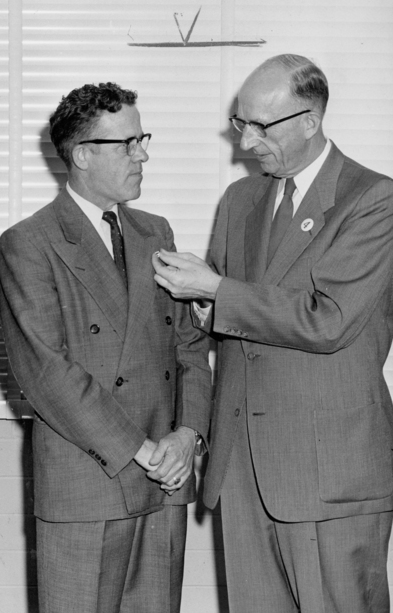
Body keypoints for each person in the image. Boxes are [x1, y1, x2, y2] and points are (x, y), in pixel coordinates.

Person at [153, 54, 393, 612]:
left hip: (328, 476)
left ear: (310, 120)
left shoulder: (372, 200)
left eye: (262, 127)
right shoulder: (240, 200)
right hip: (241, 472)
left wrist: (214, 289)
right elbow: (222, 321)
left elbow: (327, 318)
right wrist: (187, 301)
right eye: (242, 123)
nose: (246, 143)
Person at [0, 82, 212, 613]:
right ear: (83, 155)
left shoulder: (155, 231)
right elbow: (48, 372)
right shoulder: (29, 242)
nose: (143, 154)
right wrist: (143, 451)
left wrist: (188, 436)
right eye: (128, 143)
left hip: (165, 481)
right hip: (89, 483)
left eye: (144, 139)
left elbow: (189, 347)